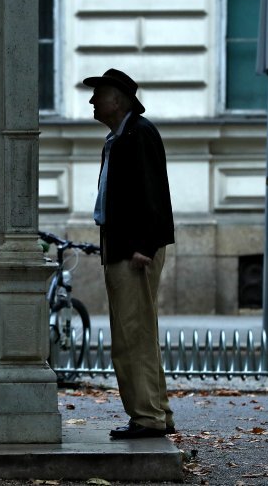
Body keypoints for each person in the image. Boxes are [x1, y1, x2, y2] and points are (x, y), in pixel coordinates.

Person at [83, 68, 176, 440]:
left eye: (98, 94)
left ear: (118, 99)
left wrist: (143, 245)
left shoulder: (138, 134)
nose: (92, 101)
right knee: (140, 334)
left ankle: (147, 417)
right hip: (124, 245)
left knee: (130, 336)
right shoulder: (121, 137)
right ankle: (156, 412)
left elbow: (152, 193)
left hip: (134, 250)